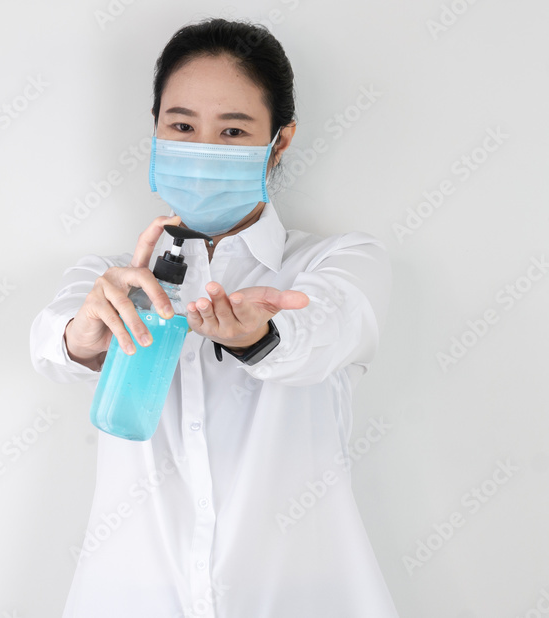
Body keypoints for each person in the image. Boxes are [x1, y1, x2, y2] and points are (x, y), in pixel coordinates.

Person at [29, 18, 401, 618]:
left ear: (279, 141)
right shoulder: (109, 279)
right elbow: (50, 346)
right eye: (182, 126)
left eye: (233, 130)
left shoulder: (336, 263)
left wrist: (262, 338)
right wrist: (86, 334)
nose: (203, 150)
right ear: (154, 131)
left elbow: (329, 329)